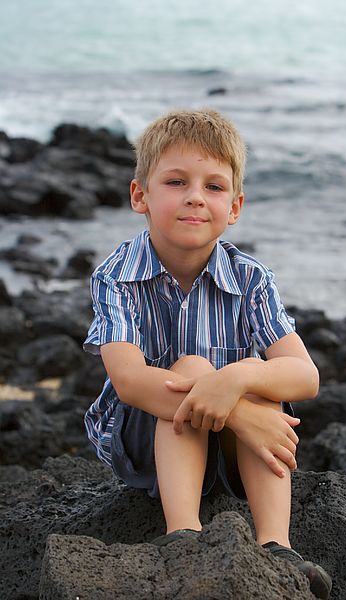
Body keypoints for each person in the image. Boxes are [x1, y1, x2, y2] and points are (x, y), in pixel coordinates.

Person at [83, 109, 332, 599]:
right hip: (141, 442)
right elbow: (131, 381)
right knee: (199, 367)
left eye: (214, 187)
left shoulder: (251, 279)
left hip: (227, 454)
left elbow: (306, 376)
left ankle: (277, 547)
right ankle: (183, 536)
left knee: (259, 374)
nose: (196, 196)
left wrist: (239, 382)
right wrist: (238, 408)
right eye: (176, 181)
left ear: (234, 207)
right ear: (141, 196)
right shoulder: (116, 275)